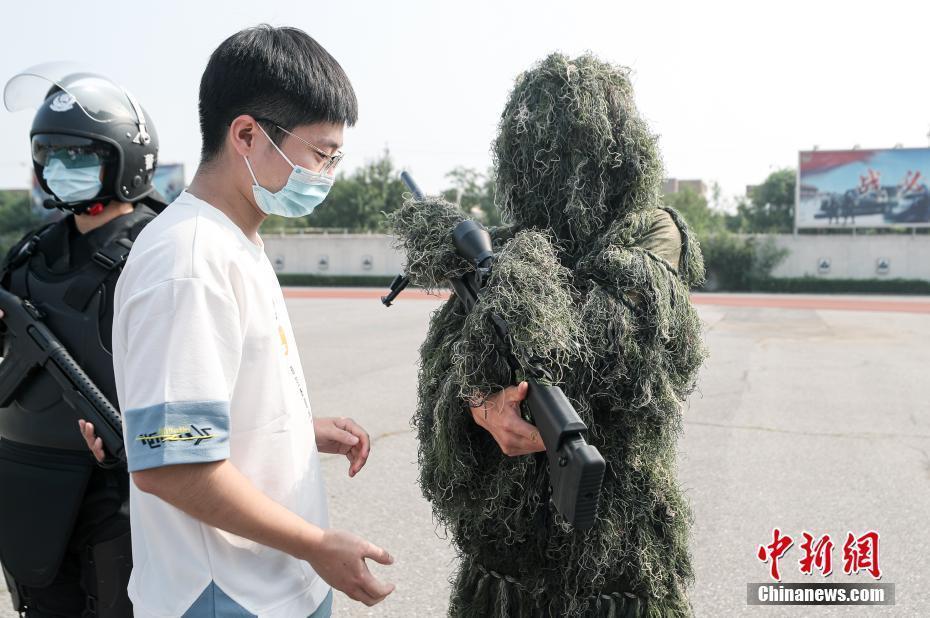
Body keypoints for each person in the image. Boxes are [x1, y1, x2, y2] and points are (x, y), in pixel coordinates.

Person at [82, 25, 394, 618]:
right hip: (225, 595)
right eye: (320, 154)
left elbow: (206, 410)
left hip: (270, 585)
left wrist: (295, 428)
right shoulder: (188, 261)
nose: (327, 174)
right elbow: (172, 466)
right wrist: (318, 547)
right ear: (247, 135)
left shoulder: (234, 242)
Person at [392, 53, 707, 616]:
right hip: (504, 567)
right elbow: (449, 365)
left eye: (568, 146)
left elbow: (599, 345)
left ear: (618, 151)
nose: (554, 165)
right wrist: (478, 405)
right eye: (536, 148)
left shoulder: (651, 232)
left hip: (616, 559)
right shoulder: (504, 246)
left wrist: (502, 269)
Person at [0, 65, 165, 617]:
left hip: (117, 495)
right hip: (28, 488)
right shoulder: (29, 257)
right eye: (51, 155)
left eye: (79, 155)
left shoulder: (162, 250)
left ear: (123, 161)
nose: (60, 168)